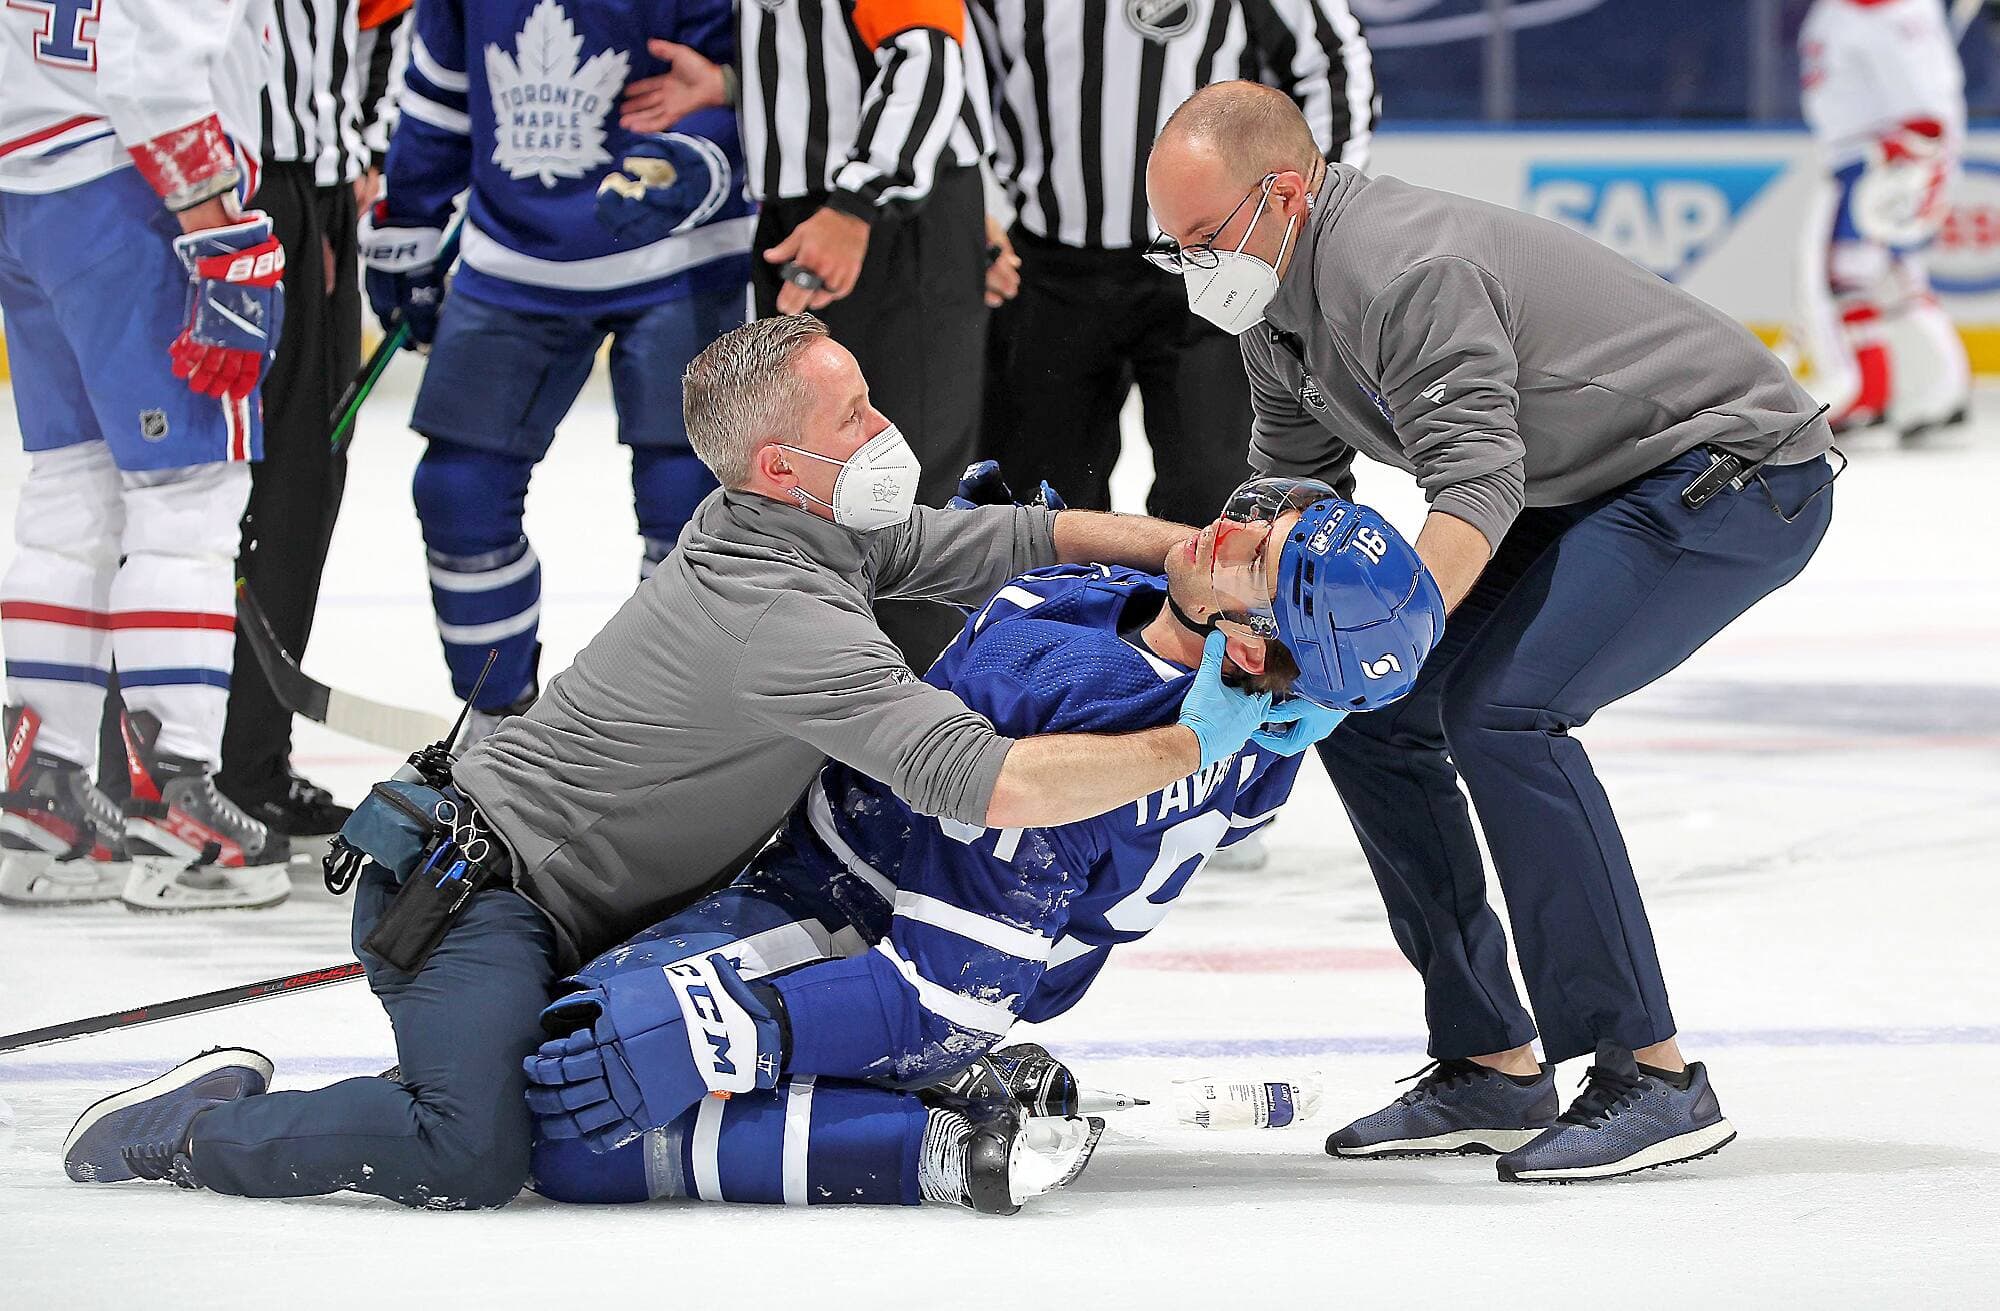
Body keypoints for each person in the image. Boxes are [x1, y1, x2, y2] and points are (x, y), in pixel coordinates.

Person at [58, 313, 1309, 1211]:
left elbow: (1010, 535)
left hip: (575, 901)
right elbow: (998, 784)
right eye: (854, 419)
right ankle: (190, 1131)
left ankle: (425, 1073)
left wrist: (1191, 555)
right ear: (784, 469)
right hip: (482, 902)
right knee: (471, 1154)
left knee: (557, 1081)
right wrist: (1203, 737)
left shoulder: (799, 525)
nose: (884, 431)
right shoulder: (786, 619)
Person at [1144, 83, 1839, 1183]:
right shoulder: (1272, 310)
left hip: (1731, 474)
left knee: (1503, 714)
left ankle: (1651, 1075)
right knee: (1368, 722)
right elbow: (1294, 489)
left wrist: (1375, 646)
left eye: (1200, 239)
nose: (1190, 268)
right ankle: (1490, 1063)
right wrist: (1258, 636)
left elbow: (1471, 481)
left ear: (1281, 193)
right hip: (1588, 484)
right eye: (1170, 247)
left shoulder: (1399, 268)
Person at [510, 478, 1441, 1213]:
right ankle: (931, 1090)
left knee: (563, 1122)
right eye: (1268, 515)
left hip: (861, 931)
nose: (1228, 527)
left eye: (1259, 558)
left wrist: (738, 1033)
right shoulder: (1199, 662)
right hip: (836, 878)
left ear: (1247, 647)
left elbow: (946, 997)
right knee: (562, 1055)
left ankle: (931, 1145)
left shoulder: (1099, 739)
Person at [361, 0, 752, 741]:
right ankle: (497, 719)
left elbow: (748, 77)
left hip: (677, 250)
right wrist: (408, 218)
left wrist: (698, 157)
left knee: (688, 498)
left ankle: (664, 728)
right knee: (457, 491)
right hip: (513, 253)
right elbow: (443, 89)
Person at [0, 0, 294, 911]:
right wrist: (214, 222)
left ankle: (41, 795)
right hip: (130, 191)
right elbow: (151, 58)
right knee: (189, 494)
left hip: (22, 195)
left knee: (72, 487)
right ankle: (180, 810)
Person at [622, 2, 998, 665]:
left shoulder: (864, 201)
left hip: (880, 215)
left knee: (890, 496)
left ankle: (915, 750)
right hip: (818, 210)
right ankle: (824, 737)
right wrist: (742, 85)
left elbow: (929, 60)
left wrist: (856, 207)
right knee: (807, 497)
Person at [972, 0, 1376, 526]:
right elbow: (955, 78)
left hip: (1212, 269)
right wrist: (976, 217)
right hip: (1044, 269)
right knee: (1040, 507)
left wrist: (1307, 218)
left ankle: (1201, 612)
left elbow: (1332, 59)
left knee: (1219, 496)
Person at [216, 0, 411, 842]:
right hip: (232, 188)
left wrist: (355, 160)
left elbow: (386, 30)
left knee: (301, 478)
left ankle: (243, 761)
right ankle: (176, 758)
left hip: (307, 196)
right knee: (187, 488)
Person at [1793, 0, 1969, 439]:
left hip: (1883, 159)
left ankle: (1873, 393)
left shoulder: (1897, 16)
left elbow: (1928, 115)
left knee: (1856, 277)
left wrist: (1916, 170)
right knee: (1894, 277)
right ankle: (1940, 393)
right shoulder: (1841, 11)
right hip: (1860, 155)